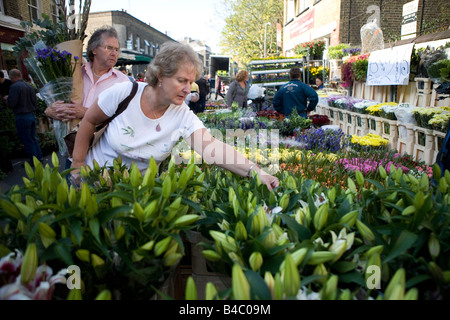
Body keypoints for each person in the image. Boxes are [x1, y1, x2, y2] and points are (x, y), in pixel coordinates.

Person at [70, 42, 279, 191]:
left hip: (135, 194)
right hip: (92, 186)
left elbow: (212, 148)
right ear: (160, 75)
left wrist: (255, 171)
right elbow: (89, 122)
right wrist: (77, 166)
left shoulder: (182, 115)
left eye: (191, 82)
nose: (188, 89)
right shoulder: (124, 93)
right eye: (182, 81)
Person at [43, 26, 130, 170]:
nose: (114, 53)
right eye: (109, 48)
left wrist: (85, 112)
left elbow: (124, 118)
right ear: (93, 49)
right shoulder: (73, 72)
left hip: (103, 156)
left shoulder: (122, 82)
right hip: (72, 153)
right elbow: (50, 103)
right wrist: (50, 111)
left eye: (116, 49)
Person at [7, 69, 43, 164]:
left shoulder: (15, 87)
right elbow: (35, 102)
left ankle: (34, 160)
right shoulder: (29, 86)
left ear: (12, 77)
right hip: (31, 115)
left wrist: (7, 99)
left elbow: (12, 103)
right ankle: (39, 157)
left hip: (22, 116)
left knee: (27, 140)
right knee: (32, 138)